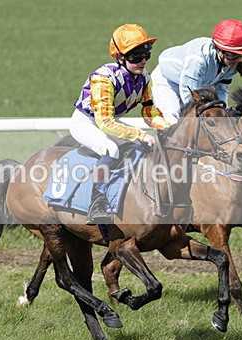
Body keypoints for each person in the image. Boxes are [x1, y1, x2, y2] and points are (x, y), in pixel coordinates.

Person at [70, 23, 171, 225]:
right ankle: (96, 202)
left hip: (111, 120)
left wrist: (169, 129)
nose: (143, 61)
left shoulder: (145, 78)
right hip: (87, 121)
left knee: (142, 149)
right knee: (110, 149)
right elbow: (104, 122)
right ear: (120, 57)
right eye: (136, 56)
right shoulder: (103, 79)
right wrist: (140, 134)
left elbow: (150, 112)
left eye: (146, 54)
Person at [151, 19, 242, 124]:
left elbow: (221, 90)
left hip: (196, 86)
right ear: (218, 49)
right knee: (173, 120)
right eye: (230, 55)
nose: (236, 60)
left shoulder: (230, 64)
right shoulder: (198, 61)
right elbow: (189, 93)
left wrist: (224, 111)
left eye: (240, 55)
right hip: (167, 82)